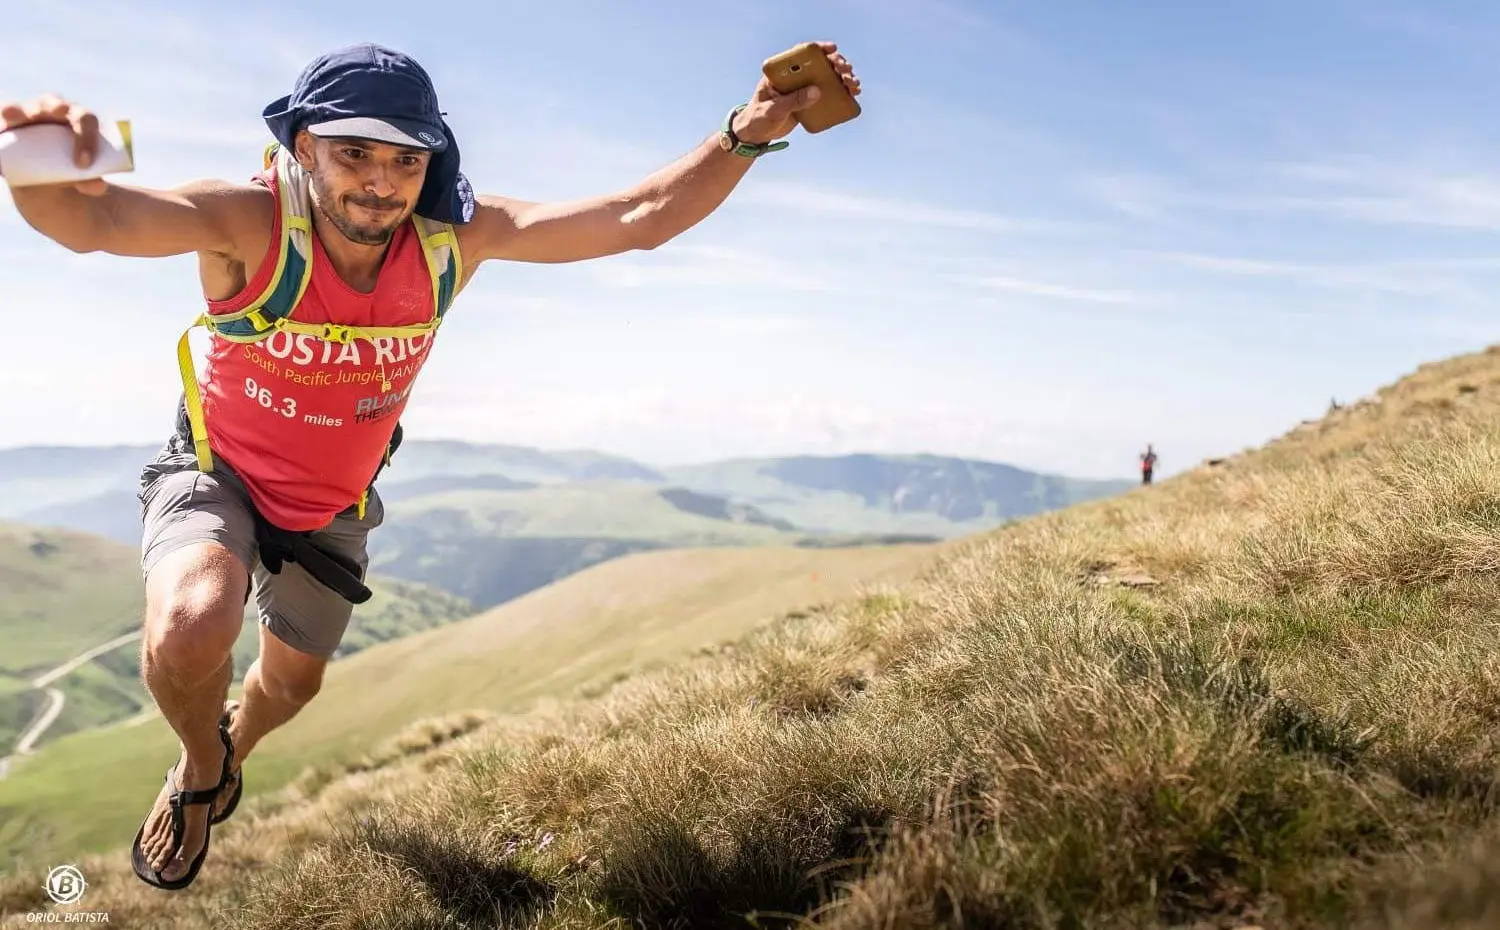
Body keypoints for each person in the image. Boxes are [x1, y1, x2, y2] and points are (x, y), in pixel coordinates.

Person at [1, 41, 861, 891]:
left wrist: (746, 133)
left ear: (431, 161)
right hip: (215, 469)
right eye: (353, 153)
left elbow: (638, 219)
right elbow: (98, 219)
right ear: (304, 148)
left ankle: (236, 743)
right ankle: (196, 769)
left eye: (405, 159)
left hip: (334, 503)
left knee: (291, 687)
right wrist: (40, 168)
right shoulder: (249, 220)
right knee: (194, 622)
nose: (380, 180)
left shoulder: (454, 239)